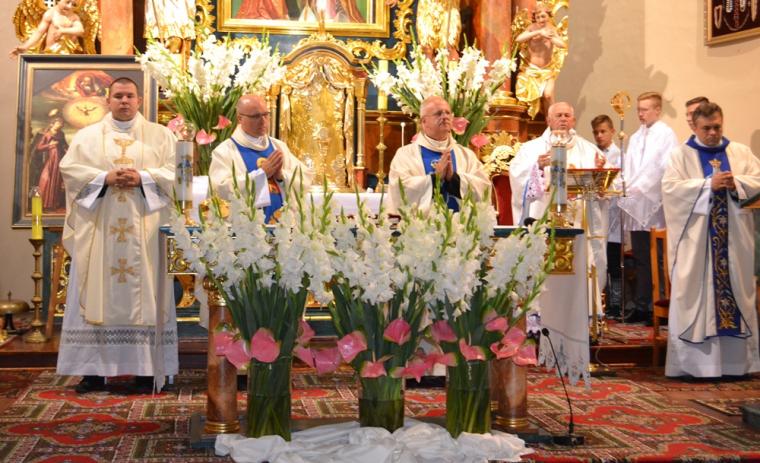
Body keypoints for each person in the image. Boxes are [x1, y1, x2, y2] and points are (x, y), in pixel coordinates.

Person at [57, 77, 177, 394]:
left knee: (149, 293)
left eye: (130, 96)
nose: (124, 101)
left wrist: (143, 178)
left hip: (147, 232)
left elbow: (176, 174)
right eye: (119, 96)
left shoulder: (161, 136)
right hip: (100, 233)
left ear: (139, 101)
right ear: (108, 100)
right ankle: (94, 372)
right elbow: (70, 170)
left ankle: (147, 371)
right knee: (94, 291)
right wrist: (104, 178)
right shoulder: (87, 137)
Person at [662, 102, 760, 378]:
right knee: (695, 297)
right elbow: (670, 191)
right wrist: (707, 185)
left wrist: (737, 183)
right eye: (707, 128)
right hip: (697, 247)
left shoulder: (740, 152)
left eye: (717, 127)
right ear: (694, 126)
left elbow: (758, 180)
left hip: (735, 244)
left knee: (737, 293)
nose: (713, 133)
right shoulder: (680, 156)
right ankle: (696, 367)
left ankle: (736, 366)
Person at [510, 102, 608, 314]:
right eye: (558, 115)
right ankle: (539, 312)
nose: (563, 119)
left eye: (567, 115)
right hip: (542, 219)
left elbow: (603, 187)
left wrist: (599, 176)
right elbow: (517, 179)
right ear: (548, 120)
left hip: (578, 221)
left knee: (581, 264)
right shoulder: (531, 149)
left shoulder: (588, 149)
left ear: (573, 120)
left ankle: (581, 312)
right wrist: (537, 167)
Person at [617, 92, 678, 325]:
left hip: (654, 204)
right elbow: (630, 166)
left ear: (657, 110)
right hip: (637, 205)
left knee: (658, 257)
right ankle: (642, 306)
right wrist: (624, 185)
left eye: (645, 109)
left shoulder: (666, 134)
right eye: (638, 110)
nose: (640, 114)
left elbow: (663, 168)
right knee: (641, 257)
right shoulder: (635, 137)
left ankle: (660, 305)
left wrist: (640, 187)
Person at [209, 94, 312, 222]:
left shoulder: (278, 146)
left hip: (283, 228)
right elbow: (220, 191)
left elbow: (305, 178)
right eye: (256, 116)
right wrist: (262, 174)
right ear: (240, 118)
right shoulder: (224, 152)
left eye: (266, 115)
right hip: (245, 230)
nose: (263, 121)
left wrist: (281, 176)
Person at [388, 96, 490, 213]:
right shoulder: (405, 155)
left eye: (448, 113)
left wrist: (454, 179)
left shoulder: (466, 155)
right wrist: (434, 179)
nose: (445, 116)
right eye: (438, 113)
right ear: (423, 122)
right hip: (422, 224)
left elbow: (483, 187)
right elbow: (399, 189)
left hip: (461, 223)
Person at [591, 114, 623, 318]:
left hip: (613, 213)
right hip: (598, 213)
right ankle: (601, 300)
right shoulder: (592, 153)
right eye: (596, 132)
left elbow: (620, 181)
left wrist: (607, 187)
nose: (599, 136)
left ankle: (616, 303)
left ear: (612, 131)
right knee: (599, 257)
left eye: (603, 131)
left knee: (613, 260)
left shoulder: (619, 155)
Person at [514, 4, 567, 119]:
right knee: (525, 99)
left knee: (548, 95)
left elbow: (562, 44)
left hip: (547, 71)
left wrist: (550, 38)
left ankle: (553, 123)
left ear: (548, 16)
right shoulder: (532, 28)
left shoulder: (552, 29)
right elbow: (518, 39)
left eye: (543, 16)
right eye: (538, 17)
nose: (540, 19)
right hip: (530, 70)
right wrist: (538, 33)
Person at [10, 0, 85, 56]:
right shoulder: (50, 14)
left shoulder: (74, 17)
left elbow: (80, 30)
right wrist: (25, 47)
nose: (69, 6)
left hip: (68, 54)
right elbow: (39, 32)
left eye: (74, 4)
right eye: (67, 2)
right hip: (51, 53)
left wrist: (63, 31)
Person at [32, 110, 69, 212]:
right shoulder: (47, 134)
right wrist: (50, 145)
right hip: (50, 160)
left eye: (62, 124)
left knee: (57, 181)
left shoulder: (61, 134)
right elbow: (39, 147)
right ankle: (43, 203)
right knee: (47, 179)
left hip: (59, 160)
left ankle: (53, 204)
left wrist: (68, 151)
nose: (61, 125)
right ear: (53, 124)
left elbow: (65, 146)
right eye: (59, 123)